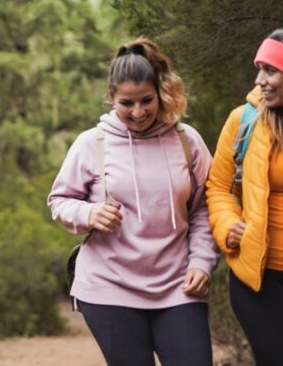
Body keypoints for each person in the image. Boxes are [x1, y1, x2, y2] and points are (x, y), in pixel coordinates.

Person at [47, 39, 219, 365]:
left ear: (161, 93)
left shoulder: (187, 140)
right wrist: (89, 212)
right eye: (126, 103)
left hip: (179, 284)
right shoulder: (91, 143)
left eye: (147, 101)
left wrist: (201, 262)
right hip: (109, 286)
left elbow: (204, 208)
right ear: (111, 97)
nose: (138, 113)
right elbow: (59, 200)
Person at [207, 27, 283, 365]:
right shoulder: (245, 120)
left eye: (270, 70)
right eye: (259, 68)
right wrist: (227, 224)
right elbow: (219, 187)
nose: (259, 79)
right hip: (261, 279)